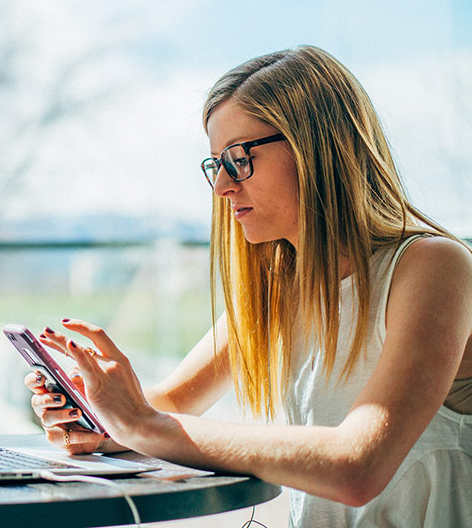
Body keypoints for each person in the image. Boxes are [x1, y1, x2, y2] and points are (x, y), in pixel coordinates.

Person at [25, 45, 472, 527]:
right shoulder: (281, 287)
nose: (221, 187)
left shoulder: (433, 266)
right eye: (216, 163)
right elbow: (172, 404)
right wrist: (98, 417)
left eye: (238, 158)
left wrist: (141, 424)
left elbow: (357, 465)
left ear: (317, 148)